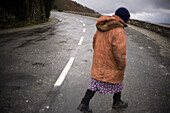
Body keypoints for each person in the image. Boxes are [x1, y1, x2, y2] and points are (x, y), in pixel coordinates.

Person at [77, 7, 130, 113]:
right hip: (111, 63)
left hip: (99, 60)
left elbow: (94, 41)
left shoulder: (103, 26)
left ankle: (84, 103)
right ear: (124, 19)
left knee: (96, 83)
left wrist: (99, 54)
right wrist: (121, 65)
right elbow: (119, 52)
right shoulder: (118, 30)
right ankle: (116, 102)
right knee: (118, 78)